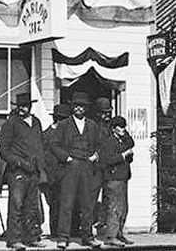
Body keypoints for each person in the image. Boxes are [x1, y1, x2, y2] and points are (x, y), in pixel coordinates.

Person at [50, 93, 103, 250]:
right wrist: (66, 158)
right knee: (67, 203)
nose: (79, 108)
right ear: (72, 107)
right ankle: (63, 237)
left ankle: (88, 237)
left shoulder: (93, 126)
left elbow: (100, 145)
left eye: (82, 106)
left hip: (87, 167)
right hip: (70, 167)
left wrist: (95, 156)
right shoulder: (64, 125)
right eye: (76, 105)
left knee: (87, 205)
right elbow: (54, 144)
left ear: (86, 108)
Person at [0, 93, 45, 251]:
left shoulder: (36, 123)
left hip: (34, 171)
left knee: (32, 206)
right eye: (19, 106)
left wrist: (40, 167)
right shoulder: (10, 124)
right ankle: (14, 239)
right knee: (16, 205)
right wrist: (18, 162)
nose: (22, 108)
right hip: (18, 171)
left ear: (30, 106)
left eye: (25, 105)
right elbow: (3, 149)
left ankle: (31, 237)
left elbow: (40, 145)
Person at [99, 116, 134, 248]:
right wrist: (123, 156)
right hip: (113, 178)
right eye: (120, 126)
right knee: (114, 207)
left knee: (123, 207)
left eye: (124, 126)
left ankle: (119, 233)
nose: (123, 129)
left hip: (123, 176)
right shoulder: (109, 142)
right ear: (114, 129)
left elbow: (131, 143)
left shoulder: (122, 140)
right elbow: (107, 159)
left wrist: (125, 136)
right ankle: (111, 236)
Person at [39, 104, 70, 239]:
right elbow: (42, 157)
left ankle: (67, 232)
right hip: (51, 176)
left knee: (67, 204)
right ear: (58, 119)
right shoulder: (46, 135)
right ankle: (55, 233)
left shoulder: (67, 134)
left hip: (67, 175)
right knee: (55, 205)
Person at [91, 97, 113, 228]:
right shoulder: (92, 126)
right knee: (92, 195)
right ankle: (91, 222)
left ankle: (104, 221)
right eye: (103, 112)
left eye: (107, 112)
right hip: (95, 166)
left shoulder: (111, 126)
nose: (105, 115)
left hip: (108, 165)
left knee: (108, 195)